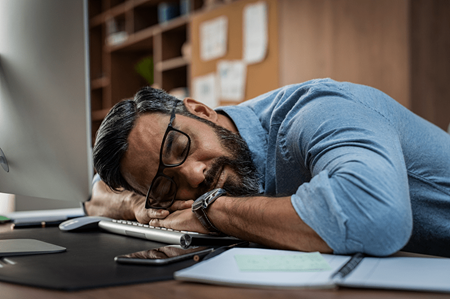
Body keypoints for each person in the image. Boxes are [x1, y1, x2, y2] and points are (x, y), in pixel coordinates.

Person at [87, 78, 450, 257]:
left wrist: (213, 211)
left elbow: (375, 218)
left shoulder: (314, 112)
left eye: (180, 147)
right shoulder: (171, 179)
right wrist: (141, 206)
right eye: (166, 185)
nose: (194, 176)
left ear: (199, 111)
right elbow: (98, 191)